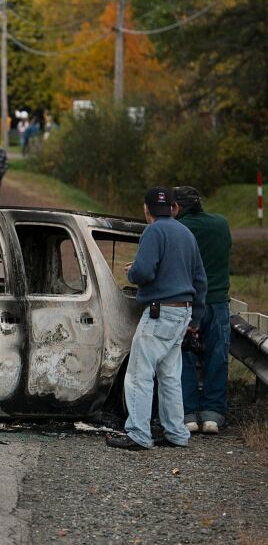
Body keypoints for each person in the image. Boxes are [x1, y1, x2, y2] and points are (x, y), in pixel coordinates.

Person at [106, 187, 207, 451]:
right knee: (170, 375)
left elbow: (143, 273)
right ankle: (176, 433)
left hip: (160, 311)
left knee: (140, 374)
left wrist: (132, 270)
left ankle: (139, 434)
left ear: (146, 209)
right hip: (182, 312)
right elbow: (200, 280)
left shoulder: (153, 231)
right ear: (172, 207)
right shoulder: (186, 233)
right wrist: (195, 319)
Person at [174, 186, 232, 434]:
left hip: (188, 302)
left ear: (177, 207)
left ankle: (187, 414)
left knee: (184, 357)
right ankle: (212, 415)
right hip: (218, 301)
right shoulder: (221, 224)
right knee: (217, 357)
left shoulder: (179, 229)